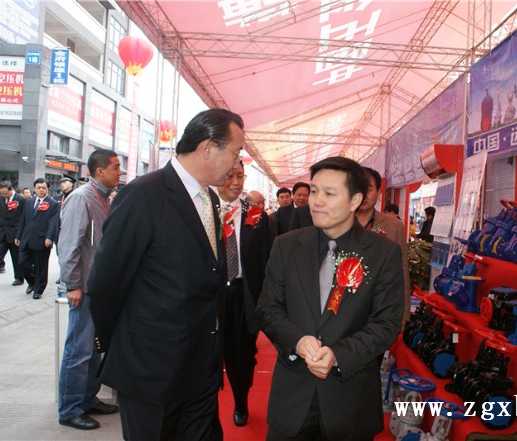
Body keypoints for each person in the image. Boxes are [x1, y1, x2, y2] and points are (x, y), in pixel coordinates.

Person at [86, 108, 245, 441]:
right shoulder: (144, 194)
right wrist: (128, 347)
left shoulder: (209, 199)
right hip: (152, 371)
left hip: (202, 366)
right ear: (208, 148)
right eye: (235, 152)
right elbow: (105, 284)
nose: (236, 163)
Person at [256, 156, 404, 441]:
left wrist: (338, 354)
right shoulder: (286, 246)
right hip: (292, 399)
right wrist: (298, 341)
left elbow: (386, 323)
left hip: (350, 400)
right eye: (314, 191)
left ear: (355, 200)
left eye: (329, 193)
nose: (317, 201)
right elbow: (268, 308)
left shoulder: (382, 253)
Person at [57, 149, 121, 430]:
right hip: (82, 289)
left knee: (94, 350)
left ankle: (87, 399)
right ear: (99, 171)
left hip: (98, 289)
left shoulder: (104, 198)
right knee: (79, 350)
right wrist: (72, 285)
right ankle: (70, 409)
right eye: (115, 167)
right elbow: (69, 245)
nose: (120, 172)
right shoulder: (81, 198)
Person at [215, 161, 271, 427]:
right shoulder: (202, 210)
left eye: (240, 176)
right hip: (211, 296)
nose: (236, 182)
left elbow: (267, 259)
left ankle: (240, 400)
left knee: (243, 355)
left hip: (243, 295)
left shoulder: (257, 216)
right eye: (229, 176)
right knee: (207, 354)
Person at [356, 167, 412, 322]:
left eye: (368, 189)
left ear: (379, 192)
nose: (363, 194)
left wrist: (403, 313)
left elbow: (402, 271)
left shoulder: (393, 226)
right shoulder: (338, 223)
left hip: (380, 307)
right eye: (358, 188)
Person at [15, 178, 60, 299]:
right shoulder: (28, 202)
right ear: (34, 188)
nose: (41, 190)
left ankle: (38, 289)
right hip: (26, 238)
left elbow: (53, 222)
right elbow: (23, 219)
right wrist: (18, 236)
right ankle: (32, 282)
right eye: (38, 187)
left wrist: (49, 237)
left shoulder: (53, 204)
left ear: (47, 189)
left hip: (42, 239)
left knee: (40, 267)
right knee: (22, 264)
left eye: (43, 188)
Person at [0, 181, 26, 284]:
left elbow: (24, 218)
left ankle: (19, 277)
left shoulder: (21, 200)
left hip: (15, 234)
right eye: (1, 193)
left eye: (5, 193)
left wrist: (20, 234)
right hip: (2, 233)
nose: (3, 195)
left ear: (11, 189)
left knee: (16, 257)